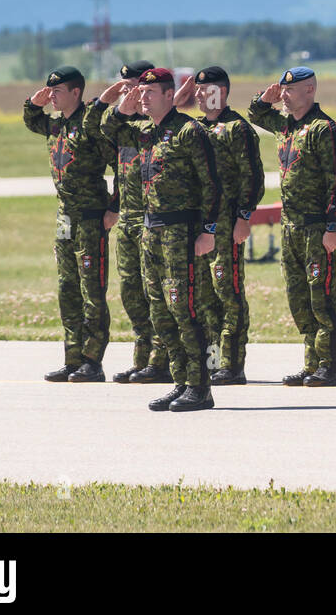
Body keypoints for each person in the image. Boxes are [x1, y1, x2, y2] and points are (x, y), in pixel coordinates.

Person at [103, 68, 222, 412]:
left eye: (150, 92)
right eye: (141, 92)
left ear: (169, 95)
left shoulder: (189, 132)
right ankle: (181, 381)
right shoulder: (143, 132)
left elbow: (211, 184)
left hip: (180, 231)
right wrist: (123, 103)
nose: (143, 97)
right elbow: (107, 129)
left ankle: (200, 387)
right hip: (150, 231)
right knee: (160, 311)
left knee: (184, 309)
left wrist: (208, 231)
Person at [248, 67, 336, 387]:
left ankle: (329, 366)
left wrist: (332, 225)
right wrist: (265, 97)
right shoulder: (285, 126)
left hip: (316, 226)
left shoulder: (325, 129)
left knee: (321, 297)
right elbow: (255, 113)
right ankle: (311, 363)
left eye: (290, 90)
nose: (284, 95)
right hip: (290, 226)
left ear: (310, 91)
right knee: (298, 298)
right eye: (282, 90)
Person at [174, 66, 264, 385]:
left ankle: (232, 363)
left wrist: (244, 217)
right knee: (202, 296)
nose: (199, 95)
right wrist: (176, 101)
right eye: (196, 90)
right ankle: (211, 359)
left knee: (228, 291)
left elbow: (252, 177)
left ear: (222, 92)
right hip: (200, 225)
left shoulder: (237, 129)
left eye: (205, 89)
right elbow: (162, 131)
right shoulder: (194, 127)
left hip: (226, 224)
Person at [23, 65, 114, 383]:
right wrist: (34, 103)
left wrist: (113, 207)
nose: (52, 97)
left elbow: (122, 164)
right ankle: (73, 358)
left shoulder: (90, 125)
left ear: (76, 92)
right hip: (64, 219)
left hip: (91, 217)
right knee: (67, 289)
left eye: (57, 92)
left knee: (92, 291)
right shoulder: (54, 125)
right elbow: (31, 120)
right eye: (50, 92)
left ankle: (92, 360)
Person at [92, 59, 171, 383]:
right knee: (131, 292)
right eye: (126, 88)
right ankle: (142, 360)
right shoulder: (123, 125)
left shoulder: (160, 125)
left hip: (154, 220)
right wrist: (113, 105)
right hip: (128, 219)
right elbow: (98, 131)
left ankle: (162, 361)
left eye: (136, 87)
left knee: (158, 294)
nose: (131, 93)